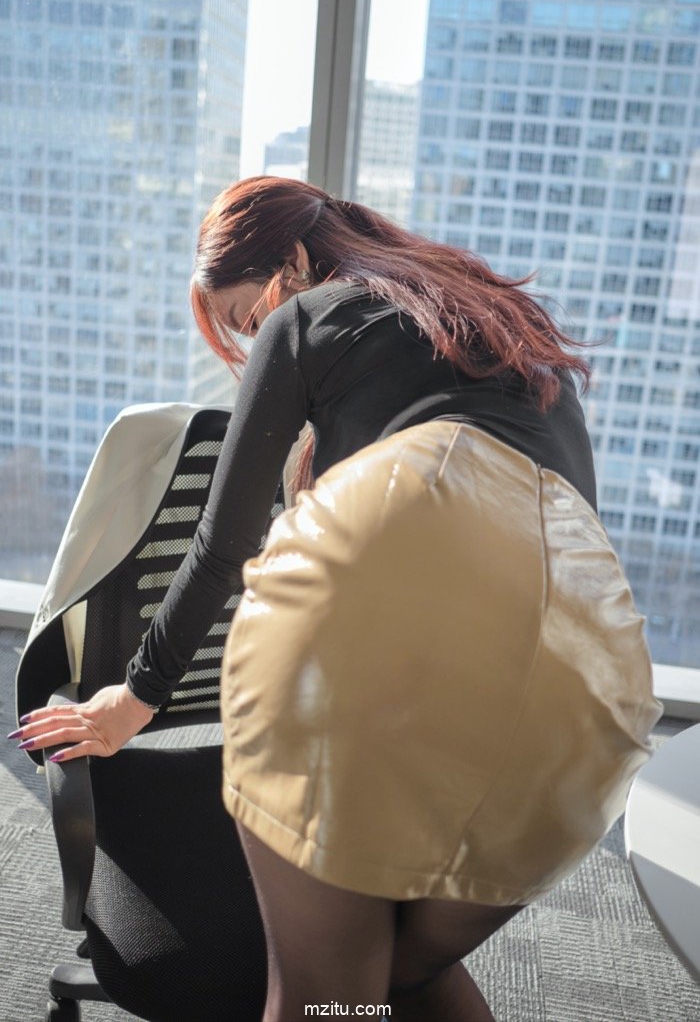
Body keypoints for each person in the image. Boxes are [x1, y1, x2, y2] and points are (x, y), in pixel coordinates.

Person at [11, 177, 661, 1022]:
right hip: (586, 699)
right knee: (396, 979)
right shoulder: (511, 330)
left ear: (293, 262)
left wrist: (130, 702)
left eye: (248, 318)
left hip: (365, 655)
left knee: (323, 996)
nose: (253, 344)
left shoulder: (309, 320)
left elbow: (221, 551)